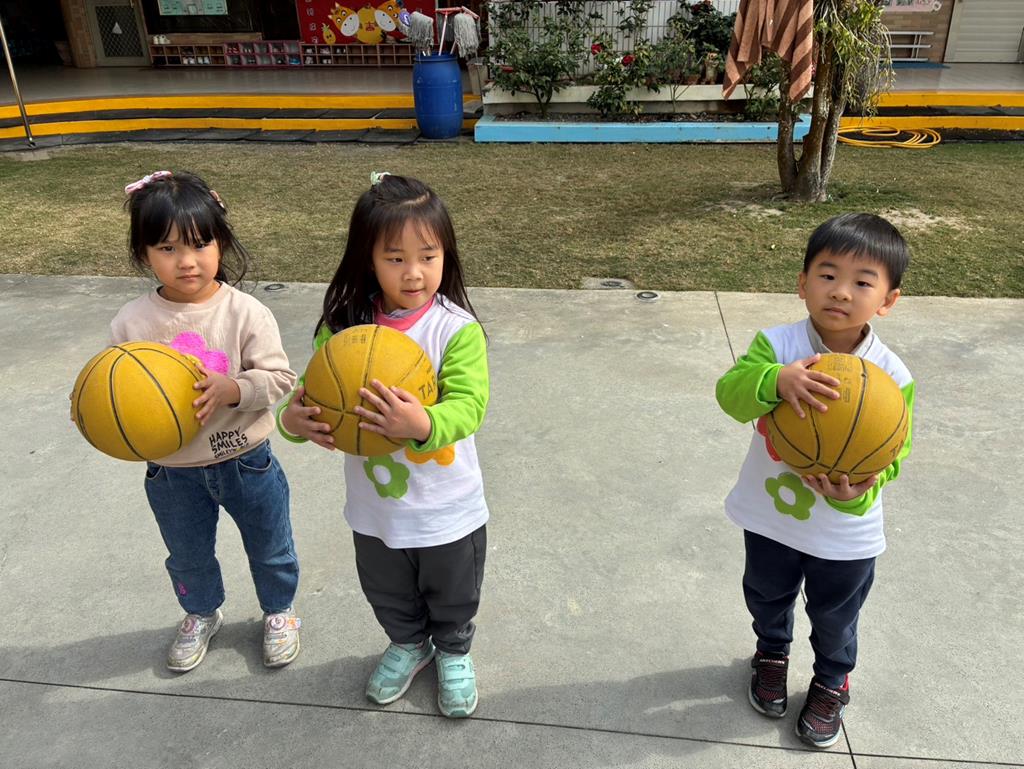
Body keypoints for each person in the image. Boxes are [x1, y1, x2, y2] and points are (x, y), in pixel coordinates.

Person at [279, 172, 489, 719]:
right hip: (375, 507)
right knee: (387, 589)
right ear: (367, 259)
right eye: (395, 258)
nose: (413, 272)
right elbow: (309, 397)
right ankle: (409, 644)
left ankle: (453, 651)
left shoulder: (455, 330)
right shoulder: (343, 329)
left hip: (446, 504)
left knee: (454, 591)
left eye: (428, 255)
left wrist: (422, 422)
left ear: (446, 255)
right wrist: (293, 421)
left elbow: (470, 406)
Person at [715, 213, 914, 748]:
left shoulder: (892, 375)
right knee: (766, 596)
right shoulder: (777, 346)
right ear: (803, 283)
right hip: (771, 516)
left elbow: (895, 454)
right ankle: (771, 653)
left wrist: (860, 490)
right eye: (827, 275)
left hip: (845, 532)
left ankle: (831, 680)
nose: (841, 292)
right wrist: (775, 380)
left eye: (862, 282)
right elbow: (730, 395)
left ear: (888, 299)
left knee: (835, 616)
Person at [110, 171, 300, 673]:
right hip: (171, 471)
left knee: (271, 546)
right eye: (167, 248)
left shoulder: (245, 312)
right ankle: (200, 612)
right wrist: (92, 409)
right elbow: (112, 389)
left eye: (199, 244)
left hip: (247, 460)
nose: (187, 261)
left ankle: (279, 610)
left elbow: (279, 378)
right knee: (187, 555)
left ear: (221, 243)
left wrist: (233, 389)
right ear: (143, 253)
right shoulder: (132, 323)